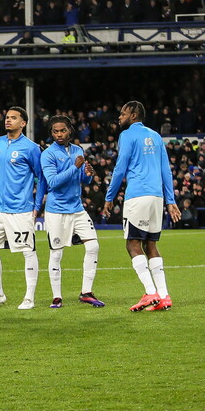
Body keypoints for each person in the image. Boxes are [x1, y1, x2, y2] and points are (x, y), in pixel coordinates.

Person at [103, 101, 181, 312]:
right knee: (151, 246)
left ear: (134, 115)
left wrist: (109, 196)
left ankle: (150, 292)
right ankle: (164, 296)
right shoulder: (156, 136)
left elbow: (120, 167)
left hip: (137, 196)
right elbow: (166, 170)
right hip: (156, 198)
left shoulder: (127, 135)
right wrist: (171, 201)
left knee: (132, 244)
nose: (119, 117)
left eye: (123, 113)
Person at [0, 106, 43, 310]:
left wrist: (37, 206)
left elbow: (41, 178)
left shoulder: (31, 147)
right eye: (7, 117)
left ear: (23, 123)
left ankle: (29, 297)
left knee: (27, 251)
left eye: (13, 118)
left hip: (21, 209)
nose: (8, 120)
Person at [40, 115, 104, 309]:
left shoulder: (78, 150)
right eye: (55, 131)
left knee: (93, 246)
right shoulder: (48, 154)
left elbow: (81, 180)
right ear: (52, 133)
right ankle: (57, 296)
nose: (59, 134)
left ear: (70, 130)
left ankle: (86, 292)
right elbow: (53, 182)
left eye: (63, 130)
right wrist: (74, 166)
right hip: (56, 211)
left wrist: (87, 175)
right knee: (56, 254)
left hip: (77, 208)